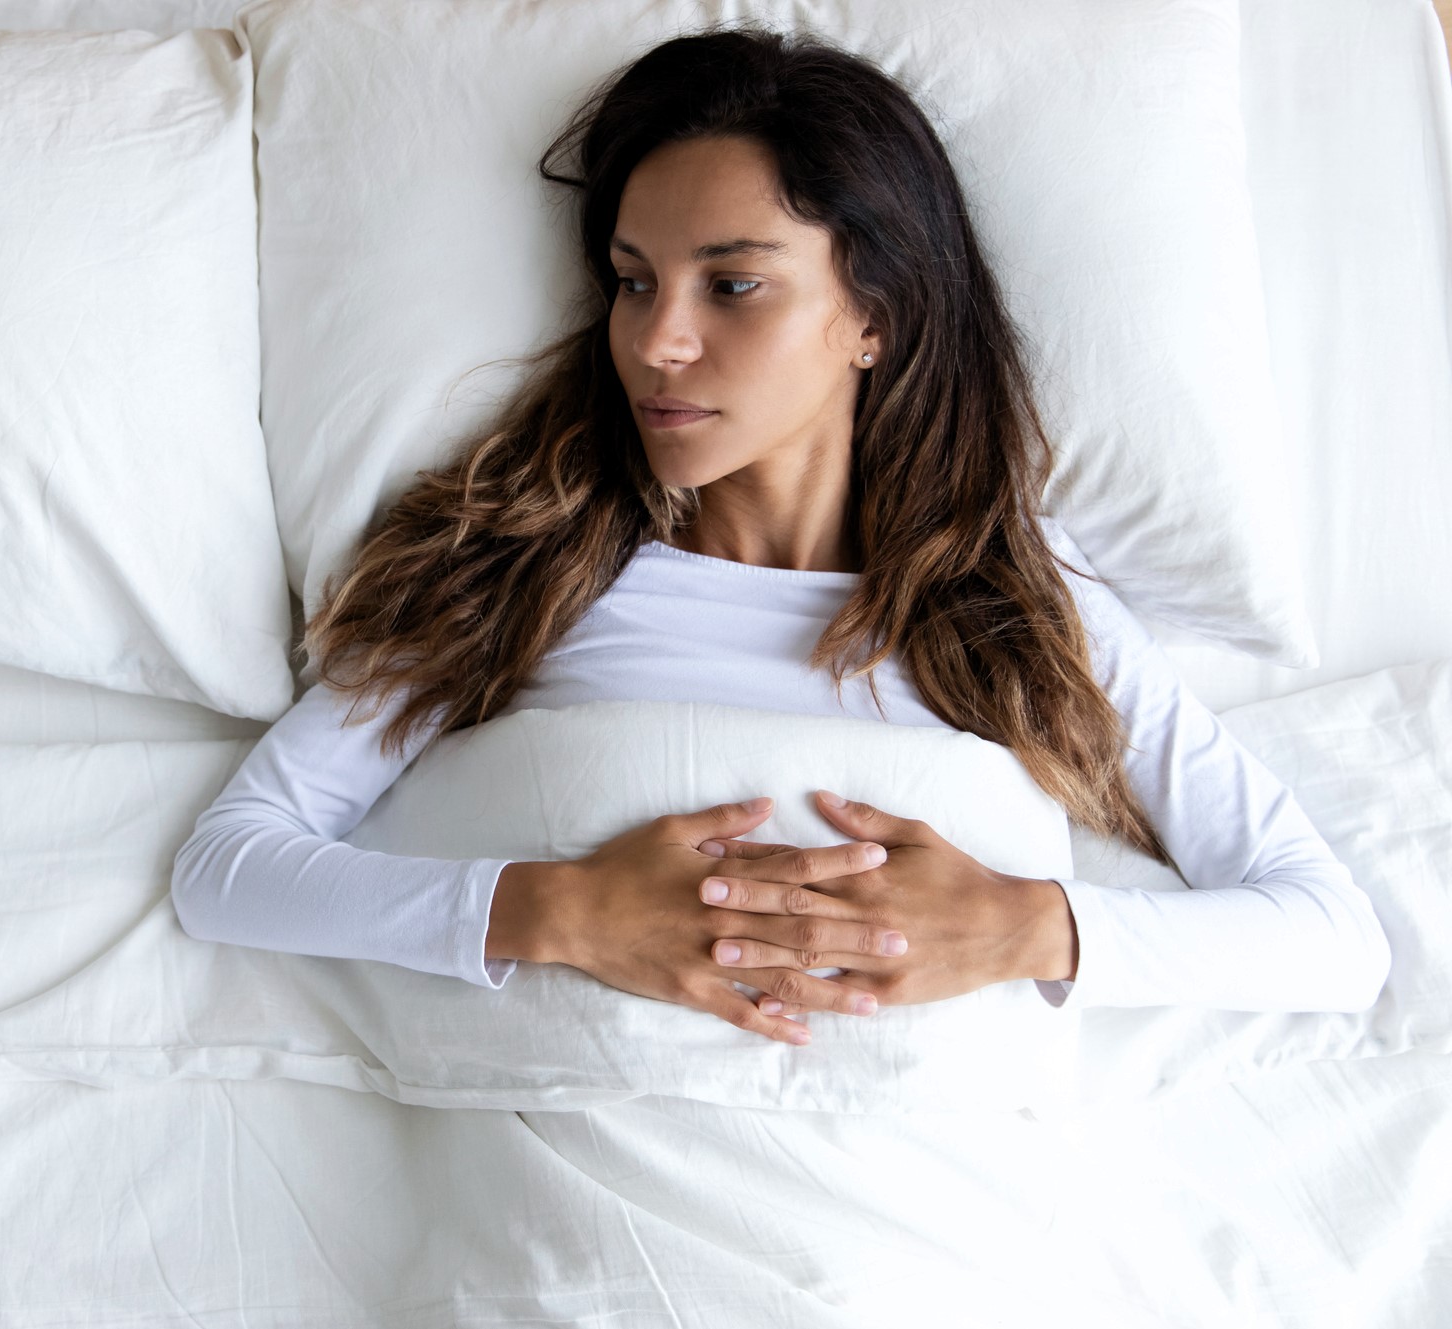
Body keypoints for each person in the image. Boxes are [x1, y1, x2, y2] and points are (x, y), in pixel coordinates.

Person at [171, 27, 1391, 1047]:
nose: (656, 341)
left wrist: (1027, 925)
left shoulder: (1013, 603)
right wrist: (558, 912)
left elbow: (1329, 933)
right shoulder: (521, 567)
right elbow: (229, 867)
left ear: (872, 311)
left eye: (731, 284)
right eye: (632, 281)